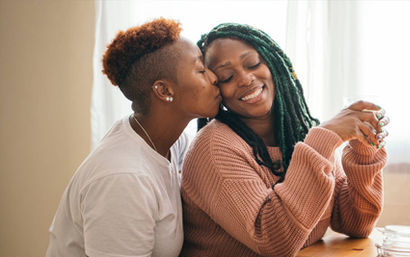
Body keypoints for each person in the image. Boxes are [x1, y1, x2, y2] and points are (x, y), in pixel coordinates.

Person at [180, 23, 389, 257]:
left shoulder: (299, 134)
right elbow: (274, 242)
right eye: (227, 76)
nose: (245, 79)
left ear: (274, 63)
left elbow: (356, 224)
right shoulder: (214, 147)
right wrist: (325, 137)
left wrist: (363, 149)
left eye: (253, 64)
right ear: (217, 89)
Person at [46, 18, 221, 257]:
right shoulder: (124, 178)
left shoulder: (170, 141)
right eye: (200, 70)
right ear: (164, 90)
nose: (213, 78)